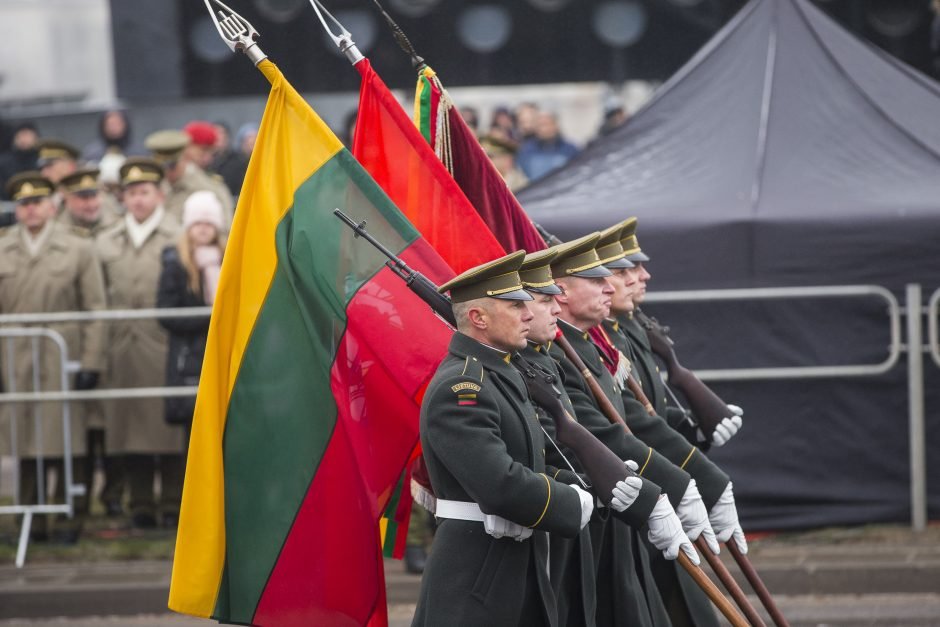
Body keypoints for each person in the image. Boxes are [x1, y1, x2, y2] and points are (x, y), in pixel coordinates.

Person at [412, 250, 593, 627]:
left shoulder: (501, 373)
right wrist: (571, 502)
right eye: (515, 306)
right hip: (476, 576)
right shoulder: (463, 386)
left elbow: (533, 458)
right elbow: (500, 484)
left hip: (510, 564)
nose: (529, 314)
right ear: (477, 317)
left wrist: (583, 483)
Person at [547, 233, 703, 626]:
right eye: (603, 277)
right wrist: (679, 484)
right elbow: (605, 432)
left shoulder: (593, 346)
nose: (613, 284)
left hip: (624, 505)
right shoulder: (561, 356)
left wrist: (693, 435)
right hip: (595, 514)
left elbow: (638, 416)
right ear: (562, 292)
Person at [592, 222, 735, 627]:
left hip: (655, 487)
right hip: (636, 495)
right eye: (623, 272)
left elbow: (651, 410)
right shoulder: (604, 340)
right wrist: (696, 479)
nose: (641, 277)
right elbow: (627, 423)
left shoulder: (627, 329)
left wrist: (694, 429)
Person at [0, 172, 107, 543]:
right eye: (24, 204)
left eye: (38, 203)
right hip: (15, 352)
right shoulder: (3, 247)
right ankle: (28, 517)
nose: (31, 210)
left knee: (67, 437)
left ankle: (66, 518)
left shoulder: (77, 247)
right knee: (23, 437)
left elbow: (95, 307)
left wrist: (92, 362)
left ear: (52, 205)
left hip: (63, 349)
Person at [96, 157, 183, 529]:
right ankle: (142, 503)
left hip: (164, 345)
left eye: (144, 191)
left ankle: (175, 502)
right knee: (129, 430)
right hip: (124, 348)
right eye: (131, 193)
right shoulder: (106, 240)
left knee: (171, 429)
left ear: (159, 195)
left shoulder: (177, 236)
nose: (138, 200)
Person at [156, 190, 225, 443]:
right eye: (197, 223)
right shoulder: (176, 263)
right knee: (193, 432)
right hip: (188, 357)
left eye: (209, 223)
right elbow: (165, 312)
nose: (203, 229)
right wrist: (210, 319)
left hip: (222, 352)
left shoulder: (227, 257)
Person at [144, 130, 234, 226]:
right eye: (161, 167)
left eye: (172, 166)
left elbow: (226, 228)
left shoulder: (209, 189)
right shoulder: (150, 188)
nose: (167, 172)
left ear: (185, 158)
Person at [517, 111, 579, 182]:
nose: (544, 129)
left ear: (555, 125)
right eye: (540, 125)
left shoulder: (570, 149)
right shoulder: (527, 150)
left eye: (547, 124)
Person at [0, 122, 39, 199]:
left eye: (27, 135)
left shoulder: (42, 160)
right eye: (20, 135)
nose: (24, 139)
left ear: (36, 138)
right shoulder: (4, 162)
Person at [209, 121, 248, 199]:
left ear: (228, 137)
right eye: (216, 133)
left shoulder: (240, 161)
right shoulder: (207, 161)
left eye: (222, 133)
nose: (219, 137)